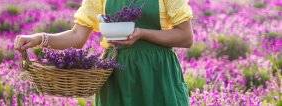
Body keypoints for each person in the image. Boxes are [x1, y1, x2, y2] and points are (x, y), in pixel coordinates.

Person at [14, 0, 193, 105]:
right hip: (116, 76)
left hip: (157, 74)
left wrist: (142, 33)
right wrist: (40, 38)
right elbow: (77, 36)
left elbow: (185, 37)